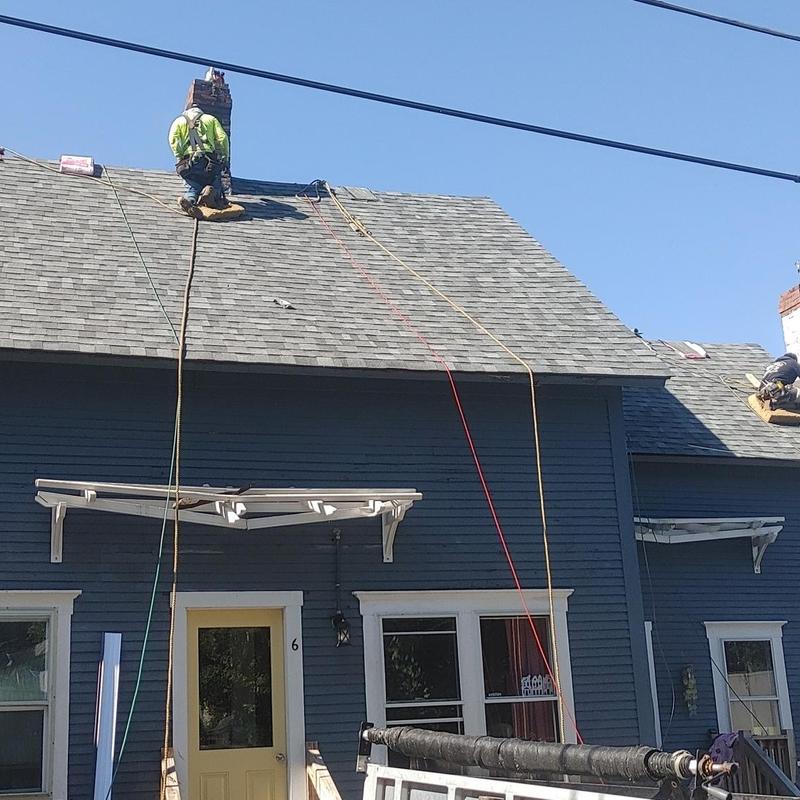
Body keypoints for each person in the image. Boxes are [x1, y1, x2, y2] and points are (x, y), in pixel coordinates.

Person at [168, 104, 230, 215]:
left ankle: (190, 200)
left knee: (192, 186)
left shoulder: (179, 121)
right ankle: (211, 194)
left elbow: (174, 140)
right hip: (209, 161)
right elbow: (222, 138)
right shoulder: (210, 119)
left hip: (189, 162)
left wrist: (180, 156)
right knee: (215, 183)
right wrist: (224, 156)